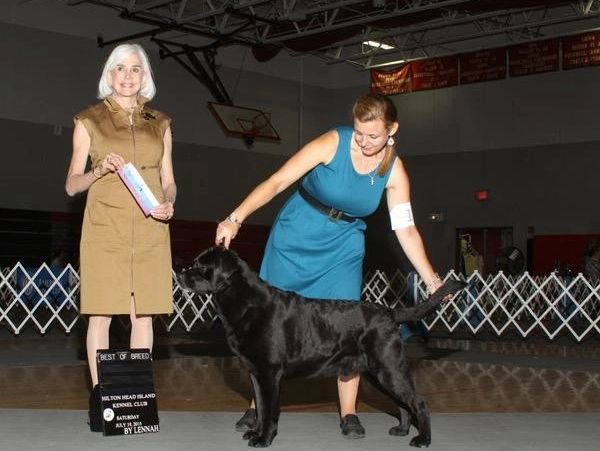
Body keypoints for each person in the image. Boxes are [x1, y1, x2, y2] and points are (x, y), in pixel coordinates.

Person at [214, 93, 443, 439]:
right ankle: (256, 406)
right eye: (359, 133)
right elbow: (278, 181)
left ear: (392, 130)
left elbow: (406, 229)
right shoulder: (333, 143)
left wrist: (432, 279)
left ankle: (349, 413)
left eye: (373, 136)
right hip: (297, 233)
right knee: (268, 328)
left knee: (348, 328)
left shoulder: (394, 171)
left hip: (343, 245)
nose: (363, 142)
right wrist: (235, 218)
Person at [65, 43, 176, 432]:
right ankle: (102, 398)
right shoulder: (89, 121)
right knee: (101, 315)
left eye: (135, 69)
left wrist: (169, 203)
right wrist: (98, 171)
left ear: (144, 76)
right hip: (105, 229)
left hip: (150, 228)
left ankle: (136, 395)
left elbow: (168, 180)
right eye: (121, 68)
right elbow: (71, 185)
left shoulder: (160, 122)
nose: (128, 76)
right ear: (109, 74)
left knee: (143, 314)